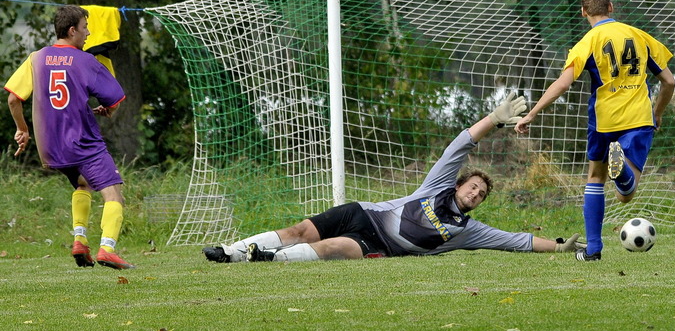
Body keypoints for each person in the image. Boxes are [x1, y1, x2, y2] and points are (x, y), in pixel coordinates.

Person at [203, 92, 584, 264]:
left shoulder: (465, 231)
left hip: (380, 245)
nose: (476, 193)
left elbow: (515, 241)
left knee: (334, 249)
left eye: (481, 194)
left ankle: (265, 259)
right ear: (457, 185)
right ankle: (232, 251)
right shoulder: (437, 186)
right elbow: (458, 147)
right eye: (473, 185)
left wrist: (560, 247)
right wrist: (494, 119)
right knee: (302, 230)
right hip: (362, 214)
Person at [514, 0, 675, 262]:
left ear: (584, 12)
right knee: (626, 195)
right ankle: (622, 168)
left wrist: (532, 112)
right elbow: (669, 81)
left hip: (603, 120)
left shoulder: (587, 42)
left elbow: (563, 83)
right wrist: (657, 111)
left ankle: (593, 250)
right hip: (638, 118)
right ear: (611, 7)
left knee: (594, 178)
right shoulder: (639, 36)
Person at [4, 5, 135, 270]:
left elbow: (12, 98)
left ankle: (80, 241)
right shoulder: (85, 60)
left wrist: (23, 129)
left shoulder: (37, 58)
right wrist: (108, 110)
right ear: (72, 30)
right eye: (85, 28)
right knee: (114, 195)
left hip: (52, 146)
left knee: (83, 185)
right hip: (83, 142)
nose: (88, 34)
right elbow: (116, 97)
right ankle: (108, 249)